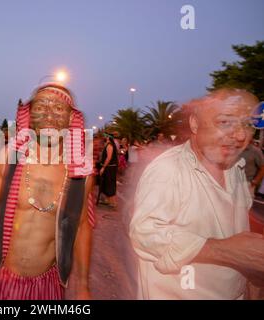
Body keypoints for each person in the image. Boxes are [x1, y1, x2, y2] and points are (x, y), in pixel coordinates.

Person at [129, 89, 264, 299]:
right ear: (194, 124)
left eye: (247, 124)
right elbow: (144, 234)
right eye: (225, 122)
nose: (240, 135)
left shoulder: (236, 169)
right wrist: (226, 251)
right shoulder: (168, 170)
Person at [0, 83, 94, 300]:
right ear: (30, 115)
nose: (49, 115)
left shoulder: (81, 173)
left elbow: (82, 227)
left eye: (59, 108)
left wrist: (83, 285)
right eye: (41, 106)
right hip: (1, 278)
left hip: (47, 286)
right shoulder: (8, 159)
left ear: (72, 119)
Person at [98, 133, 118, 209]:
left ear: (108, 138)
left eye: (105, 136)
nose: (104, 137)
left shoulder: (110, 146)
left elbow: (108, 158)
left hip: (109, 168)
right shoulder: (108, 145)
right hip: (109, 167)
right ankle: (108, 200)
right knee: (106, 184)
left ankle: (113, 203)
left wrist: (103, 167)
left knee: (110, 184)